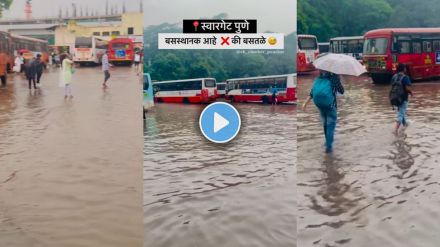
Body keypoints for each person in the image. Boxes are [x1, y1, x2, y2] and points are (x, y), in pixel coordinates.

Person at [302, 70, 344, 153]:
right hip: (331, 107)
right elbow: (341, 91)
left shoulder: (318, 78)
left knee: (325, 124)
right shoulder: (334, 78)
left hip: (320, 106)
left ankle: (326, 141)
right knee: (330, 126)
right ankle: (329, 147)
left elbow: (312, 93)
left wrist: (305, 103)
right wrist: (337, 77)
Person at [390, 63, 412, 135]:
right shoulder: (405, 77)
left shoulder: (394, 76)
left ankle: (405, 125)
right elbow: (406, 88)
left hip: (394, 97)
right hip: (403, 98)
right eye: (405, 68)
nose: (406, 69)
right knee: (401, 113)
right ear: (403, 69)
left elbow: (392, 85)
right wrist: (410, 92)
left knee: (401, 112)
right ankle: (395, 130)